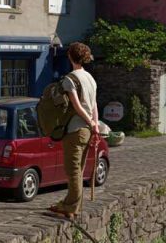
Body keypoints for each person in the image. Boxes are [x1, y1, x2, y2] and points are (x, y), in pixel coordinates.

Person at [49, 42, 98, 220]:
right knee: (79, 168)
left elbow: (77, 106)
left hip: (75, 129)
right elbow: (94, 105)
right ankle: (71, 204)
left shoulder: (70, 79)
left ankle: (69, 207)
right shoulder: (90, 78)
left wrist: (90, 122)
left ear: (70, 56)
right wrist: (95, 124)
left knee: (73, 170)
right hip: (87, 130)